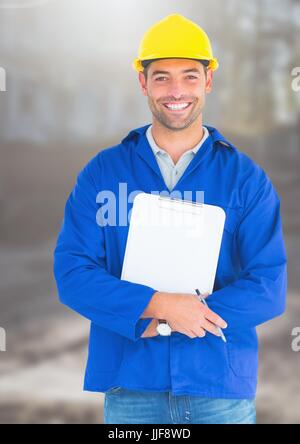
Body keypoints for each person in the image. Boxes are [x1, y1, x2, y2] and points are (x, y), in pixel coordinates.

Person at [53, 13, 287, 424]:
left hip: (218, 390)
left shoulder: (245, 179)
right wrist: (158, 305)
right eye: (161, 77)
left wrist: (184, 315)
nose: (176, 90)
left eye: (189, 76)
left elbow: (268, 285)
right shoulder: (103, 173)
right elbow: (73, 272)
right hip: (132, 389)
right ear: (142, 82)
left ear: (208, 80)